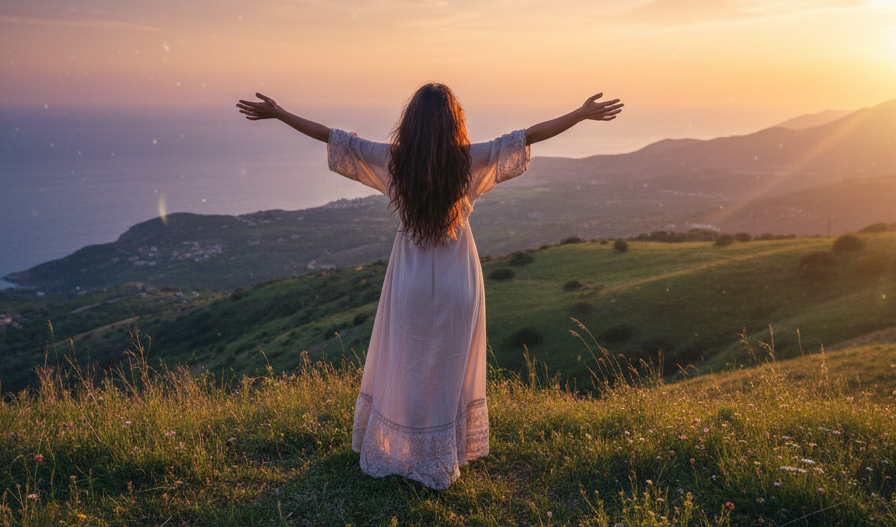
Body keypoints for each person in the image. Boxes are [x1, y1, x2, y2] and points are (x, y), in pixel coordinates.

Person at [236, 84, 623, 489]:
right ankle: (440, 456)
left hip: (410, 279)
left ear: (412, 122)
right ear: (455, 121)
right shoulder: (469, 160)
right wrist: (579, 114)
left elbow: (334, 138)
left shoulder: (395, 161)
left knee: (407, 363)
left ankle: (404, 449)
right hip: (460, 279)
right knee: (447, 367)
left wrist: (280, 112)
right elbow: (527, 136)